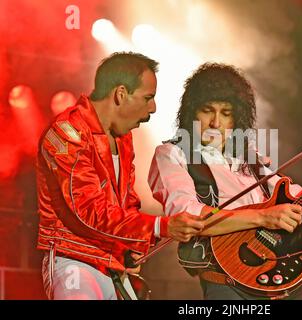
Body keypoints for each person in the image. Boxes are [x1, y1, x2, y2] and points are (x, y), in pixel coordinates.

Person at [148, 63, 302, 300]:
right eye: (208, 110)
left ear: (237, 118)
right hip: (226, 280)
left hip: (278, 271)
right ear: (191, 111)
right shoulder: (172, 154)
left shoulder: (250, 157)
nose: (216, 123)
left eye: (226, 113)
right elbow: (188, 215)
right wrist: (264, 216)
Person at [36, 52, 204, 300]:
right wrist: (160, 226)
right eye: (148, 98)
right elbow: (88, 211)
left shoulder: (123, 138)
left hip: (111, 266)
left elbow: (127, 204)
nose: (153, 108)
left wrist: (129, 246)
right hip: (75, 262)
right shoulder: (67, 133)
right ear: (120, 93)